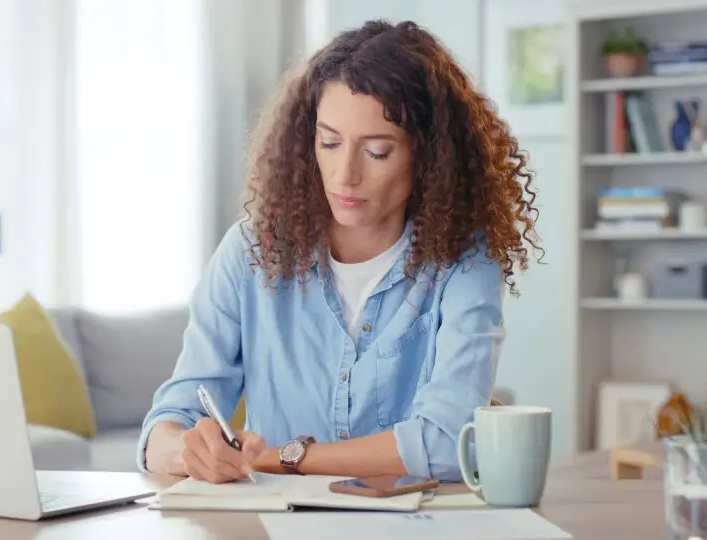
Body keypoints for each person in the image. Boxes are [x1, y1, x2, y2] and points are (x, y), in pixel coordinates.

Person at [137, 19, 542, 484]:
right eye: (329, 142)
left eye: (377, 152)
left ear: (429, 157)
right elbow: (168, 425)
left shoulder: (463, 259)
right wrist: (189, 452)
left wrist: (280, 458)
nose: (344, 174)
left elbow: (451, 442)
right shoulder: (250, 252)